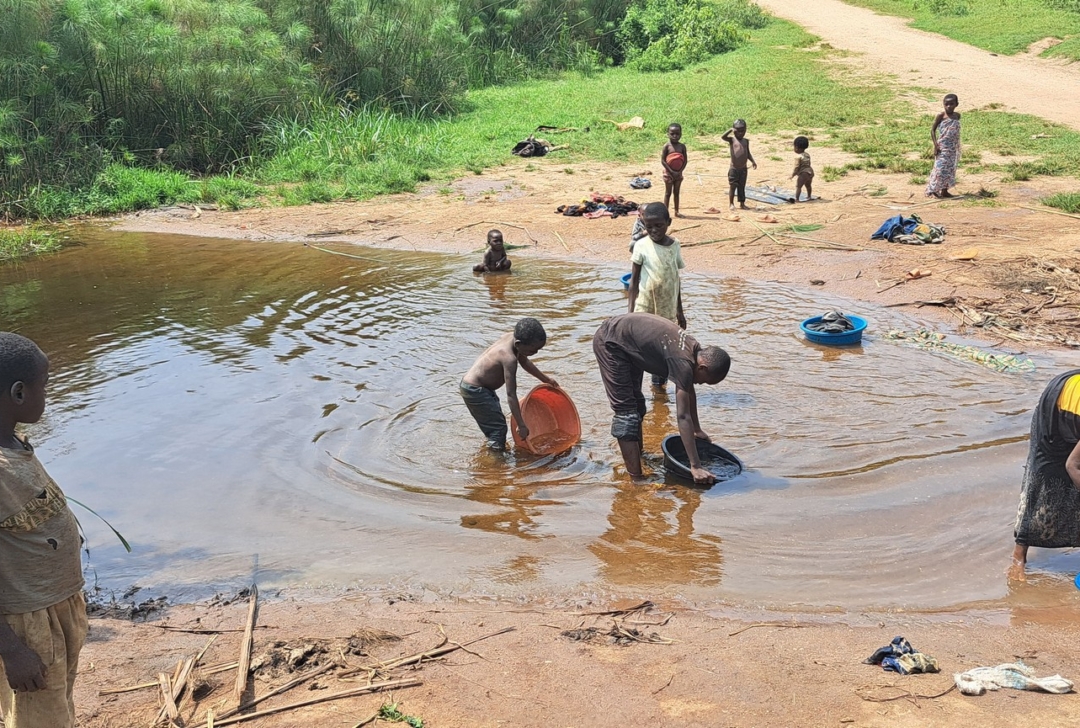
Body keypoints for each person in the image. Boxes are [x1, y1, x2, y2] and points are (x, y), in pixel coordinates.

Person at [0, 332, 87, 728]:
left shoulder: (13, 444)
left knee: (56, 705)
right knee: (37, 719)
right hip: (26, 624)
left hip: (57, 607)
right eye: (45, 386)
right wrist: (11, 650)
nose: (47, 394)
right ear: (18, 392)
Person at [593, 313, 730, 485]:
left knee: (638, 407)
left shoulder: (694, 350)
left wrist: (697, 429)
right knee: (627, 414)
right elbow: (682, 416)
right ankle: (637, 479)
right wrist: (695, 466)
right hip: (611, 343)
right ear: (702, 367)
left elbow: (689, 389)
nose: (699, 383)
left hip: (627, 344)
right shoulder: (683, 361)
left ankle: (639, 455)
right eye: (703, 380)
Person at [1009, 369, 1080, 581]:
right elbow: (1073, 465)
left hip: (1072, 401)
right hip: (1055, 410)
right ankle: (1018, 557)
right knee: (1043, 481)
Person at [460, 318, 557, 450]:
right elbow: (511, 395)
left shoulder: (510, 338)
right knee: (498, 430)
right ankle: (495, 465)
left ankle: (493, 451)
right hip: (476, 391)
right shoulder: (509, 359)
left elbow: (524, 361)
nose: (535, 353)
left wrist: (546, 380)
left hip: (480, 388)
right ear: (518, 344)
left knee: (495, 424)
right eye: (532, 350)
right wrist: (521, 424)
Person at [627, 202, 686, 390]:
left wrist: (680, 312)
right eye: (648, 226)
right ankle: (636, 389)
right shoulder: (641, 246)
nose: (653, 230)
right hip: (644, 309)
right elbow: (634, 282)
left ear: (668, 222)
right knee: (640, 350)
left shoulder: (674, 245)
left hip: (666, 310)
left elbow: (675, 279)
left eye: (658, 225)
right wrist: (630, 314)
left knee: (663, 351)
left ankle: (659, 389)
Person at [926, 93, 961, 199]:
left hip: (953, 147)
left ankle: (944, 191)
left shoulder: (957, 116)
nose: (949, 106)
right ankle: (932, 190)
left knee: (950, 169)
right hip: (942, 146)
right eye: (946, 104)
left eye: (951, 104)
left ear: (956, 104)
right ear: (943, 104)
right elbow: (932, 130)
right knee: (939, 169)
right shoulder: (941, 115)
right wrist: (935, 145)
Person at [721, 120, 756, 210]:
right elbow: (723, 137)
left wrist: (752, 161)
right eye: (738, 131)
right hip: (734, 168)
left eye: (742, 131)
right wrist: (730, 130)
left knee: (742, 187)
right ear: (734, 130)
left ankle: (742, 203)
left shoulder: (746, 141)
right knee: (733, 186)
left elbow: (748, 153)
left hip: (743, 169)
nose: (740, 133)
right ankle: (731, 203)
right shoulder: (732, 140)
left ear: (745, 130)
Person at [660, 123, 688, 218]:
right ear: (668, 134)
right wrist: (672, 171)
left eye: (677, 134)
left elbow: (685, 160)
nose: (675, 136)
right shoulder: (667, 146)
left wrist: (679, 171)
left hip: (678, 174)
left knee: (676, 193)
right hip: (669, 174)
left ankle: (677, 211)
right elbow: (663, 161)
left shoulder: (682, 147)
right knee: (668, 193)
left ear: (681, 134)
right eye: (672, 134)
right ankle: (665, 213)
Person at [791, 136, 814, 202]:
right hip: (810, 171)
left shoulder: (798, 157)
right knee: (808, 185)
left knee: (799, 186)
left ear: (796, 148)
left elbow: (796, 167)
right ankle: (809, 196)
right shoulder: (807, 154)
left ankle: (797, 199)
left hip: (804, 173)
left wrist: (792, 175)